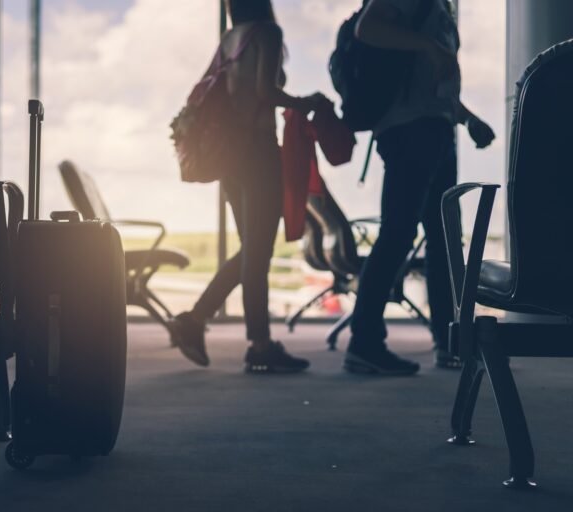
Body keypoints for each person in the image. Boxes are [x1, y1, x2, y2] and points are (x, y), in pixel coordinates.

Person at [169, 0, 329, 374]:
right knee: (257, 255)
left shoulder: (230, 39)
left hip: (230, 157)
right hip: (258, 152)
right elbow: (265, 92)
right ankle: (259, 345)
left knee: (250, 252)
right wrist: (307, 101)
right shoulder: (267, 34)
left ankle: (194, 320)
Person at [344, 0, 495, 376]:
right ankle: (364, 342)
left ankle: (449, 342)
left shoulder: (440, 6)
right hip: (411, 130)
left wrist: (466, 118)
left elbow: (432, 81)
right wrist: (430, 46)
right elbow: (368, 27)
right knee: (399, 232)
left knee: (443, 239)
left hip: (435, 127)